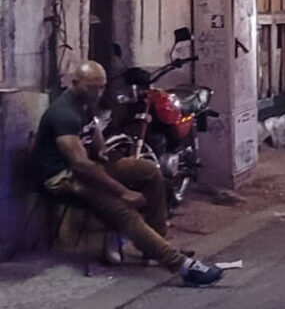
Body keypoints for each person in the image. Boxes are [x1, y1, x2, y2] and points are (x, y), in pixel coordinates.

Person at [33, 61, 222, 285]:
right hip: (63, 178)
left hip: (87, 167)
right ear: (75, 84)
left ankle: (155, 247)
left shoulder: (85, 103)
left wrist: (101, 148)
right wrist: (122, 191)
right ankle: (180, 265)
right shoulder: (63, 113)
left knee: (149, 171)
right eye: (93, 87)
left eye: (102, 87)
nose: (98, 92)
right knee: (124, 210)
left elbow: (92, 130)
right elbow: (80, 165)